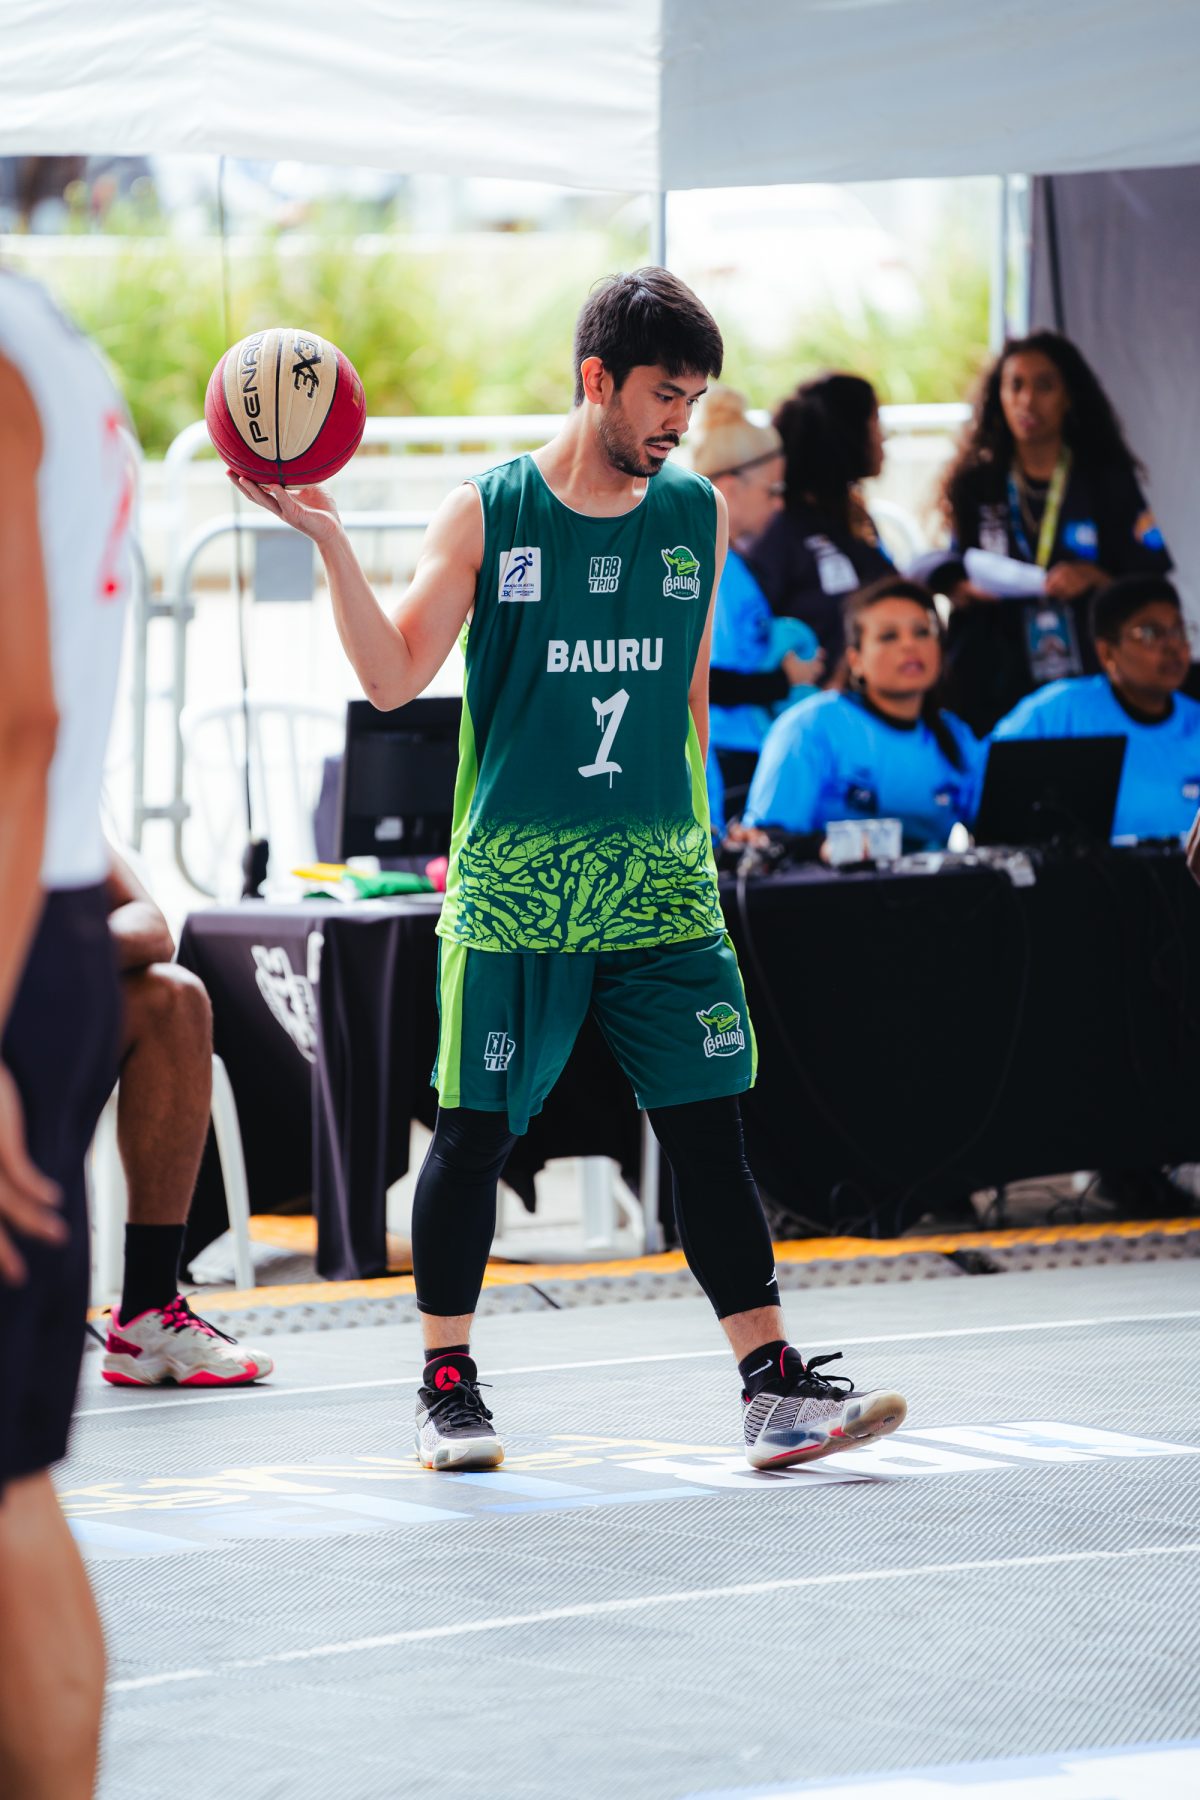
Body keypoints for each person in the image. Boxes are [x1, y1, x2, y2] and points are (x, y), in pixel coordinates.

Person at [233, 267, 907, 1474]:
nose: (679, 422)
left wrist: (697, 836)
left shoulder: (694, 513)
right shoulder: (488, 514)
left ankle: (770, 1388)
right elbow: (390, 678)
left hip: (659, 882)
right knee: (473, 1137)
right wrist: (330, 541)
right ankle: (447, 1385)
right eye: (663, 396)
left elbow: (689, 695)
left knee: (709, 1134)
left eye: (693, 400)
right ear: (597, 379)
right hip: (519, 887)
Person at [0, 270, 130, 1800]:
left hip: (20, 933)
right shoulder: (39, 328)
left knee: (4, 1485)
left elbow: (15, 724)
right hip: (40, 918)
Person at [925, 331, 1172, 735]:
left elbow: (1151, 580)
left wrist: (1096, 578)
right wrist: (961, 586)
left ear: (1069, 396)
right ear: (998, 397)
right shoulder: (978, 482)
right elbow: (951, 560)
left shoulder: (1104, 479)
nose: (1027, 401)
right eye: (1015, 386)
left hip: (1088, 673)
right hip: (995, 677)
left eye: (1044, 386)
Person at [98, 846, 273, 1385]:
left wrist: (60, 945)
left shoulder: (52, 804)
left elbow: (151, 926)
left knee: (174, 999)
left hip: (37, 1002)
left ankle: (147, 1309)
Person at [744, 576, 984, 852]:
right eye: (889, 636)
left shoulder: (958, 738)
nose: (910, 645)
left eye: (922, 632)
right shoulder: (809, 727)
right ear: (856, 660)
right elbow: (765, 839)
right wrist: (832, 848)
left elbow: (996, 829)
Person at [687, 386, 823, 810]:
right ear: (729, 487)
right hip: (724, 753)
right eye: (772, 490)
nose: (779, 505)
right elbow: (697, 677)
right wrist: (785, 680)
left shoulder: (730, 559)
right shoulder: (703, 562)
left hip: (744, 743)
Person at [993, 575, 1200, 841]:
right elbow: (988, 789)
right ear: (1107, 652)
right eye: (1150, 634)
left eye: (1179, 631)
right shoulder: (1057, 712)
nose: (1173, 646)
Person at [744, 372, 891, 674]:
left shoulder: (850, 517)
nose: (883, 437)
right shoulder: (780, 529)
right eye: (875, 422)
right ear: (847, 434)